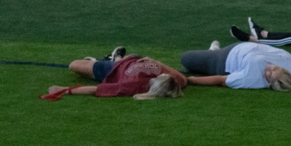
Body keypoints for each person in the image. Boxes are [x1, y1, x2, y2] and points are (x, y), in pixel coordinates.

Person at [180, 41, 291, 91]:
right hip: (239, 47)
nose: (268, 69)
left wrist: (192, 80)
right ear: (286, 71)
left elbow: (221, 80)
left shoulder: (252, 79)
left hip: (223, 61)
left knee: (186, 59)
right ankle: (210, 51)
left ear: (267, 82)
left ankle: (211, 51)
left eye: (268, 74)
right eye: (274, 69)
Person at [41, 50, 186, 100]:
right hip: (128, 60)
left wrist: (66, 89)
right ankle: (115, 58)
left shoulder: (132, 86)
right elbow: (183, 79)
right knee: (75, 65)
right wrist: (156, 62)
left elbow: (96, 89)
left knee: (74, 65)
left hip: (114, 68)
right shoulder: (172, 79)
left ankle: (115, 57)